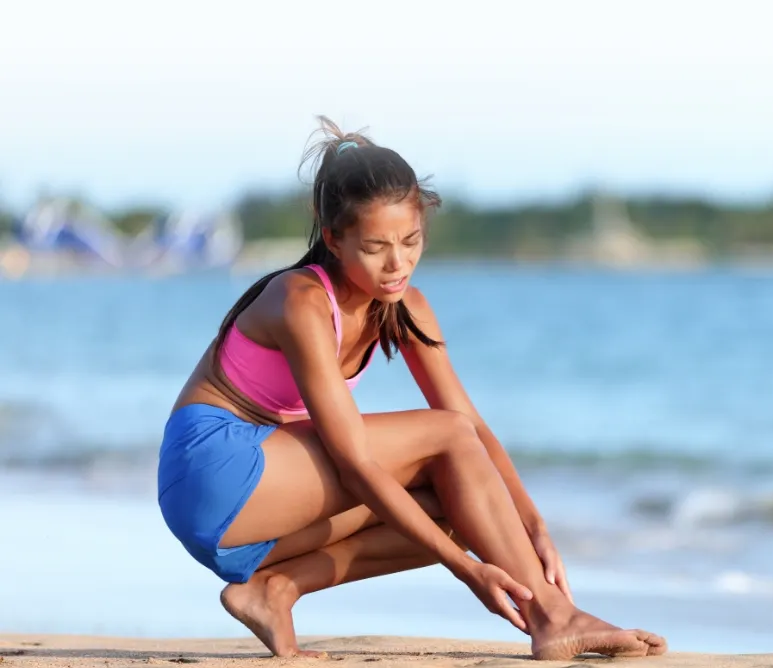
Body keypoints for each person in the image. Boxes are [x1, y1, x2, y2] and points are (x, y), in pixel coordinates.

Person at [157, 117, 667, 660]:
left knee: (462, 506)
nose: (397, 263)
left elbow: (471, 428)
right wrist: (468, 571)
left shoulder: (407, 308)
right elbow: (357, 460)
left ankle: (274, 589)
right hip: (214, 473)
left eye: (411, 240)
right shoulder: (301, 299)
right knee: (447, 455)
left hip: (265, 505)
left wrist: (533, 523)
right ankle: (555, 617)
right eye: (376, 247)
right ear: (333, 238)